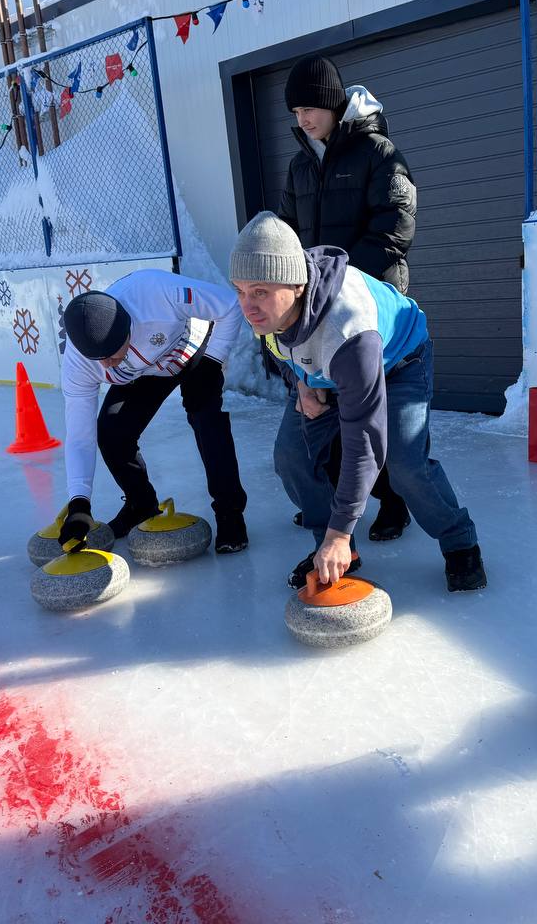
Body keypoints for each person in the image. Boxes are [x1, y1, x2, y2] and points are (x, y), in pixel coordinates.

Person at [229, 211, 485, 593]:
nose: (247, 305)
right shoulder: (268, 313)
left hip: (398, 362)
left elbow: (364, 439)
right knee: (292, 457)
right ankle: (333, 549)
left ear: (297, 286)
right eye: (240, 290)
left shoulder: (348, 328)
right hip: (325, 369)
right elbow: (279, 350)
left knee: (403, 463)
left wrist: (340, 529)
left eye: (260, 291)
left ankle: (459, 541)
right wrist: (300, 381)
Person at [275, 53, 417, 542]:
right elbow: (286, 242)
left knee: (373, 421)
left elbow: (395, 229)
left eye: (311, 108)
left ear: (334, 103)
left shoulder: (379, 153)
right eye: (295, 113)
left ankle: (393, 502)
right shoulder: (298, 166)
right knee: (318, 417)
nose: (303, 119)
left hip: (368, 305)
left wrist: (338, 285)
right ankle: (335, 509)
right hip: (314, 312)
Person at [57, 271, 248, 554]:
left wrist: (214, 359)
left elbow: (230, 305)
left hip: (191, 347)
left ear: (129, 327)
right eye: (100, 359)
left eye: (112, 352)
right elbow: (79, 437)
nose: (108, 365)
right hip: (144, 371)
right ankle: (140, 504)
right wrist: (79, 502)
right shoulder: (77, 364)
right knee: (111, 432)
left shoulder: (157, 294)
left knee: (204, 416)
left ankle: (230, 513)